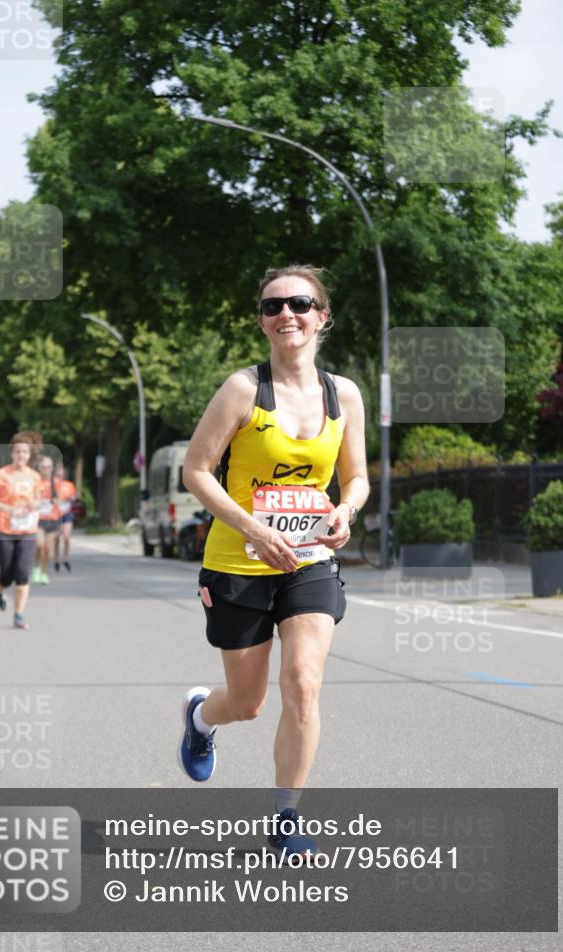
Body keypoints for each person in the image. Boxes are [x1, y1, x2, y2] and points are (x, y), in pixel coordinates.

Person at [180, 265, 369, 858]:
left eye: (300, 303)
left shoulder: (345, 395)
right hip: (238, 561)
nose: (287, 314)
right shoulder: (242, 390)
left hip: (309, 560)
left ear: (322, 315)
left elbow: (357, 477)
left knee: (304, 685)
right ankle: (200, 717)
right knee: (248, 702)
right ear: (261, 320)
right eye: (272, 306)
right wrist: (252, 528)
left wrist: (347, 511)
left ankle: (286, 819)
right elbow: (196, 471)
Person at [0, 432, 42, 630]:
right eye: (18, 451)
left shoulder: (34, 476)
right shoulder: (1, 475)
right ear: (12, 453)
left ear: (29, 455)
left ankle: (18, 615)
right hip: (4, 529)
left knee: (22, 573)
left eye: (24, 452)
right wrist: (10, 509)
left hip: (27, 529)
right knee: (7, 574)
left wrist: (33, 504)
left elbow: (38, 499)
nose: (21, 455)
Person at [33, 456, 61, 584]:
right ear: (39, 468)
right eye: (43, 467)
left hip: (52, 519)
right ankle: (36, 568)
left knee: (48, 549)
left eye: (48, 467)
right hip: (38, 519)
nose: (45, 469)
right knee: (39, 544)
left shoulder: (57, 483)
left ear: (52, 468)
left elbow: (62, 501)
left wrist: (57, 501)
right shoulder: (34, 482)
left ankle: (44, 573)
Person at [52, 464, 76, 572]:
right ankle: (56, 559)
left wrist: (71, 498)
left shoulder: (69, 485)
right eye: (58, 474)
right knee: (57, 538)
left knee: (66, 537)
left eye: (62, 474)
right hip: (56, 514)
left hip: (67, 513)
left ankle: (66, 558)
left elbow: (74, 497)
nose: (60, 476)